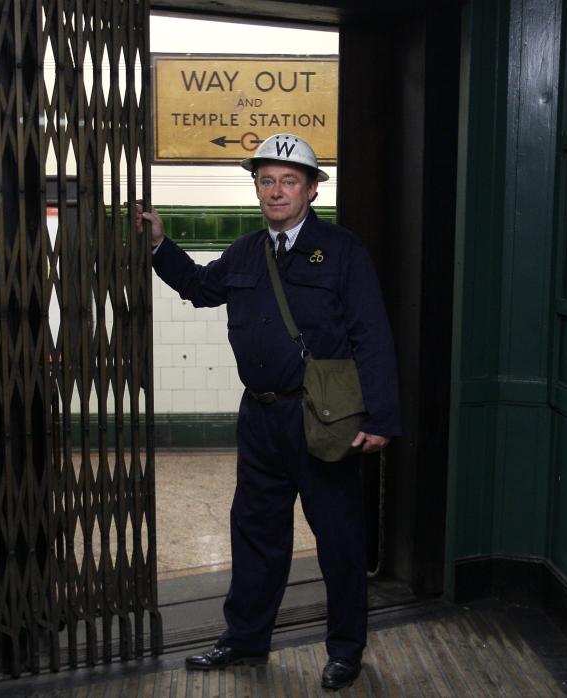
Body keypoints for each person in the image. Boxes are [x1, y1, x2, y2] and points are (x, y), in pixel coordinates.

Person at [135, 133, 401, 690]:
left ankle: (345, 648)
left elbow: (371, 335)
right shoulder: (246, 250)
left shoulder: (342, 251)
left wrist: (380, 419)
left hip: (321, 420)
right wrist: (161, 245)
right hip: (259, 419)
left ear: (310, 190)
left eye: (288, 180)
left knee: (339, 540)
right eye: (266, 180)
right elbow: (200, 288)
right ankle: (244, 639)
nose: (276, 190)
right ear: (256, 187)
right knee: (255, 535)